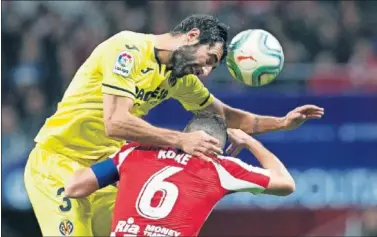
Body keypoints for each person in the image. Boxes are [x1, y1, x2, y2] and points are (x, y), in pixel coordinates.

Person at [24, 14, 324, 236]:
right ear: (192, 36)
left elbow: (225, 116)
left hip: (104, 173)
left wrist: (282, 123)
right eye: (209, 59)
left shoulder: (179, 79)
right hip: (57, 165)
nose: (205, 71)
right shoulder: (127, 50)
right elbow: (115, 122)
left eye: (212, 67)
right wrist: (180, 141)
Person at [65, 112, 296, 237]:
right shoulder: (221, 167)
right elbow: (286, 183)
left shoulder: (136, 152)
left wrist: (120, 177)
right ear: (219, 146)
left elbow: (74, 188)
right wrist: (248, 140)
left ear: (186, 135)